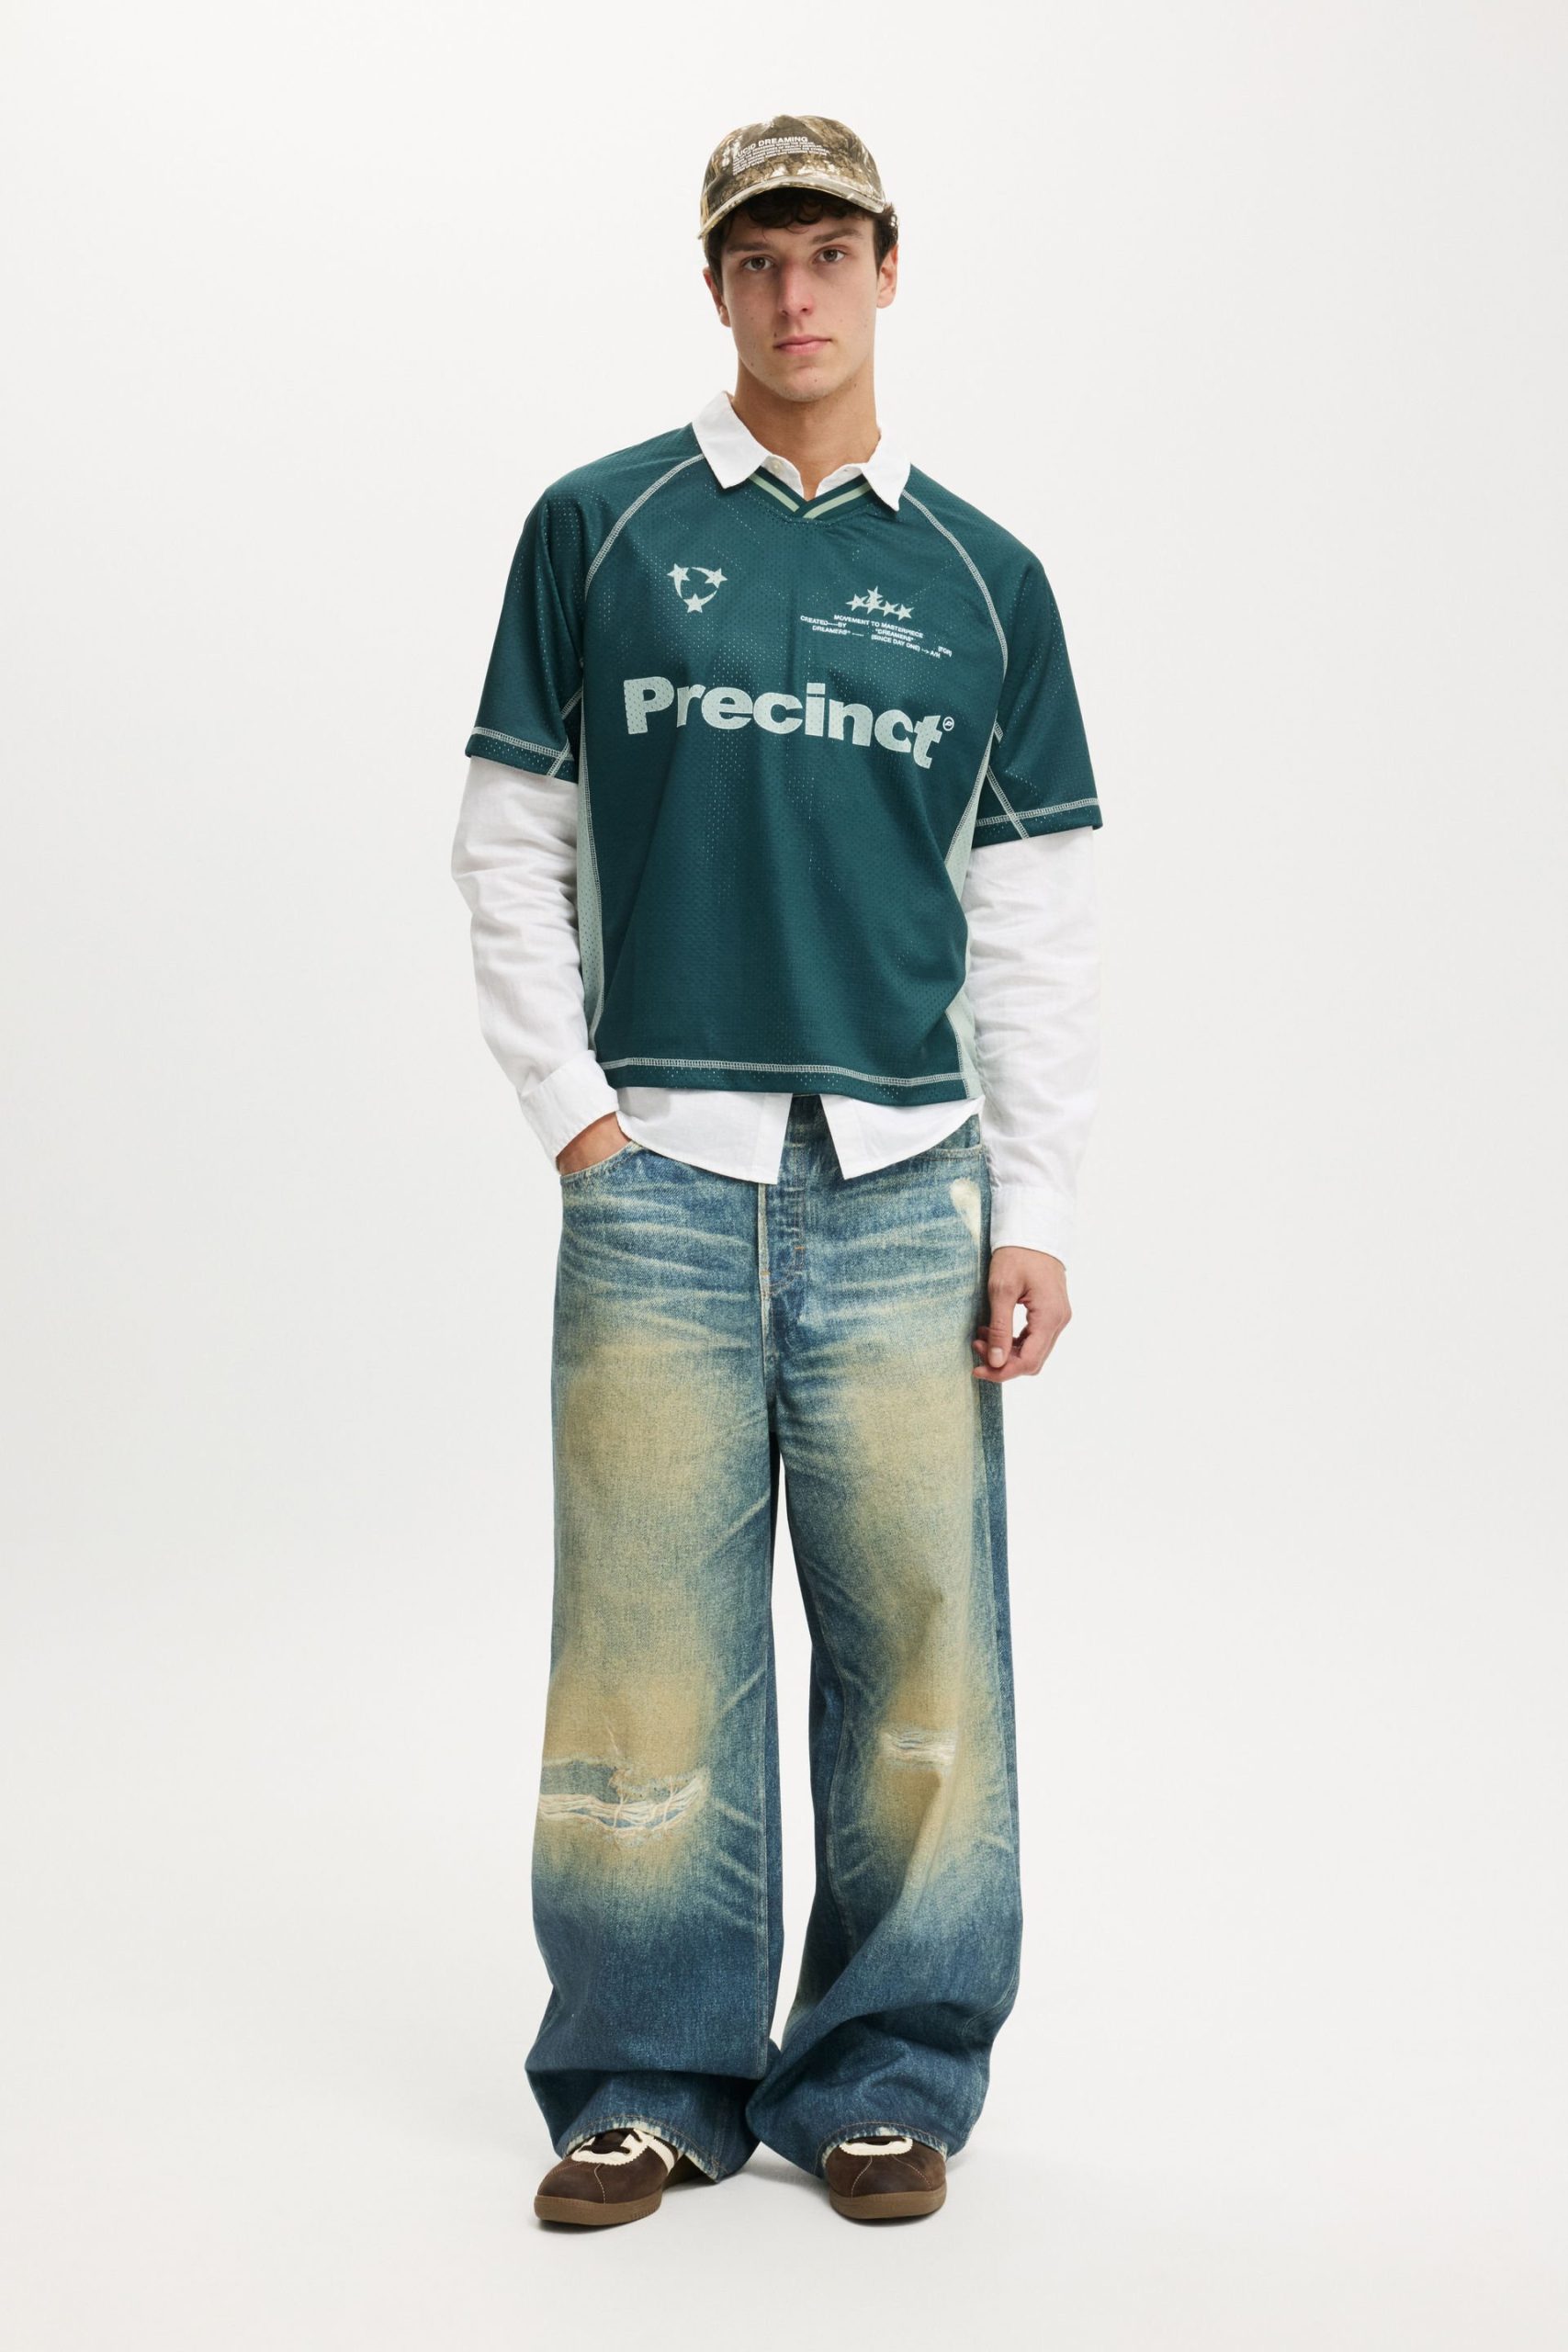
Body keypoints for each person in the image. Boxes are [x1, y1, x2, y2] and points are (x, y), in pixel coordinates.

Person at [449, 113, 1103, 2228]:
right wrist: (577, 1111)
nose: (793, 293)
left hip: (907, 1185)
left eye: (826, 252)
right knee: (646, 1640)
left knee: (921, 1646)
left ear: (888, 268)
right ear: (715, 285)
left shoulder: (985, 581)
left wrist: (1035, 1206)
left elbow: (1034, 912)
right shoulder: (600, 529)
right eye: (755, 259)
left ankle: (888, 2071)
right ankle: (645, 2075)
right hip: (657, 1176)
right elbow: (505, 838)